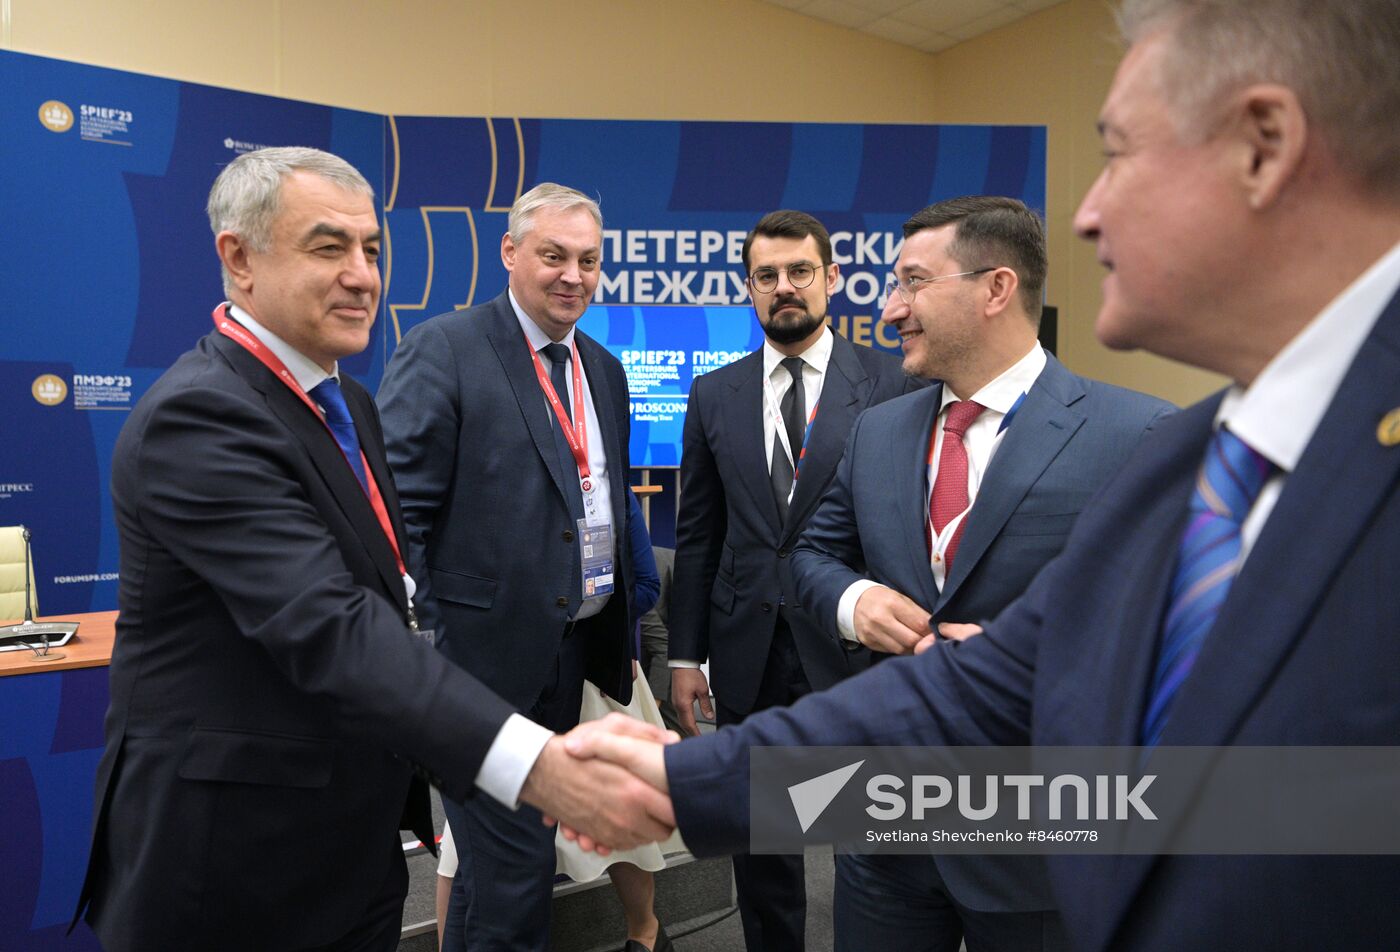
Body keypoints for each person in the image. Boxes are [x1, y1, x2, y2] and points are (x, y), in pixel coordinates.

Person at [567, 0, 1400, 947]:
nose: (1088, 213)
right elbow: (978, 683)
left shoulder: (1165, 439)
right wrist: (682, 784)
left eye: (1120, 153)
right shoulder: (1213, 452)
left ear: (1264, 146)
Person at [73, 148, 671, 952]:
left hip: (347, 837)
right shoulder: (200, 418)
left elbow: (385, 579)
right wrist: (542, 765)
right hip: (232, 864)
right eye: (329, 248)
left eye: (372, 249)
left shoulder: (343, 398)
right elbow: (331, 625)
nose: (362, 275)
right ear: (238, 259)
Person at [790, 195, 1172, 951]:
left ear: (996, 289)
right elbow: (810, 556)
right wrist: (855, 600)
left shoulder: (1138, 434)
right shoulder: (878, 430)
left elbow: (1172, 621)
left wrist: (1027, 650)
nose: (891, 307)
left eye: (912, 283)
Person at [377, 182, 637, 951]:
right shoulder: (448, 347)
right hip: (478, 666)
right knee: (513, 864)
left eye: (588, 260)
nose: (573, 276)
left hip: (569, 656)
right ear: (510, 253)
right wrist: (426, 651)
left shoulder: (604, 369)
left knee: (512, 866)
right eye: (553, 256)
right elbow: (398, 516)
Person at [667, 210, 919, 950]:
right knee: (764, 848)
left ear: (832, 278)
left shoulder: (889, 384)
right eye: (767, 276)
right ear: (749, 287)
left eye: (800, 272)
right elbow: (698, 534)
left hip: (853, 652)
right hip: (748, 652)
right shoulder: (715, 394)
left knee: (868, 844)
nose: (785, 289)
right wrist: (685, 655)